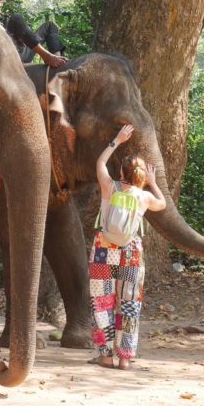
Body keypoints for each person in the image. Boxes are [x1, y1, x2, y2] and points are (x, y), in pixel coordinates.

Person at [90, 124, 166, 370]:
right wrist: (152, 182)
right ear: (141, 175)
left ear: (121, 172)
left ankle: (105, 355)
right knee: (129, 303)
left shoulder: (109, 187)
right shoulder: (142, 197)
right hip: (131, 252)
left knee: (103, 301)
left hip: (103, 249)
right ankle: (124, 357)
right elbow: (162, 204)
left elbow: (100, 163)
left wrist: (117, 140)